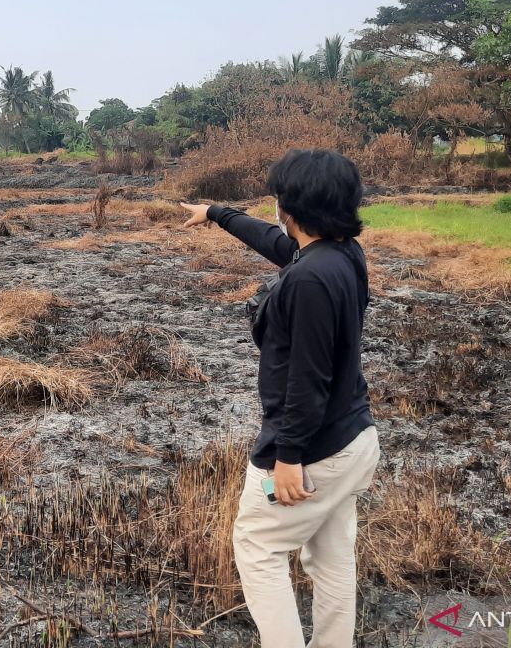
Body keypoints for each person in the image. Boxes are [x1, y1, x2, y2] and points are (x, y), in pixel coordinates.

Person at [179, 148, 379, 648]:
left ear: (289, 208)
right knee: (332, 555)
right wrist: (218, 214)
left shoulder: (309, 280)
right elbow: (277, 244)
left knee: (257, 546)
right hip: (353, 438)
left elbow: (305, 379)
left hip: (314, 452)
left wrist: (287, 456)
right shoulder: (340, 256)